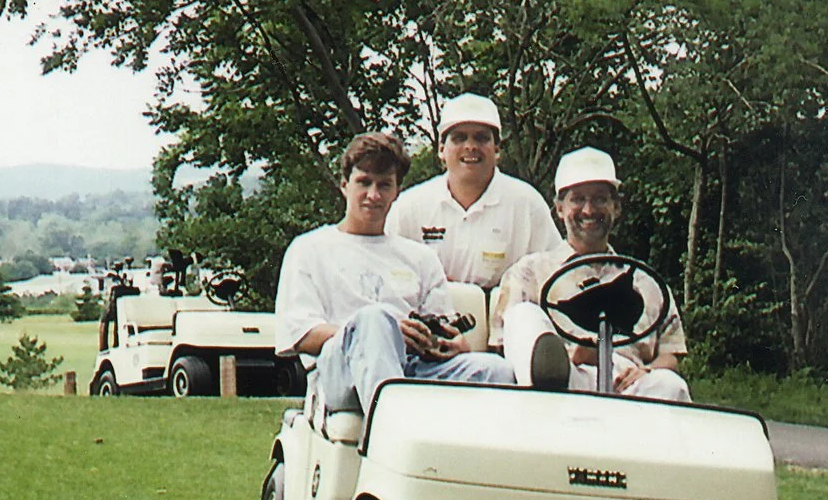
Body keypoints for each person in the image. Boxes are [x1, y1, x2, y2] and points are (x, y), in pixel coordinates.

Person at [275, 131, 514, 418]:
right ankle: (389, 439)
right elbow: (301, 335)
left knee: (496, 371)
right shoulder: (309, 249)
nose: (373, 195)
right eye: (363, 183)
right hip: (340, 371)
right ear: (344, 185)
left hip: (414, 368)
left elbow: (445, 329)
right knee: (374, 320)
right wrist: (384, 333)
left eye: (384, 185)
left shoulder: (420, 257)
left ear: (397, 191)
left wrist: (443, 343)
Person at [493, 147, 691, 402]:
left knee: (670, 384)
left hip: (629, 389)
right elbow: (503, 346)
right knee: (522, 315)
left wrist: (646, 371)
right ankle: (551, 375)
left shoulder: (645, 280)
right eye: (578, 199)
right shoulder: (529, 271)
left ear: (616, 207)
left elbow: (671, 354)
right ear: (559, 209)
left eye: (599, 199)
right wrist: (575, 357)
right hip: (565, 385)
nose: (588, 210)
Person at [384, 93, 562, 289]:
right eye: (459, 138)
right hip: (427, 314)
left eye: (481, 138)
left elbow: (553, 275)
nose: (470, 146)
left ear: (496, 149)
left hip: (503, 315)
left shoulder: (527, 204)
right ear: (441, 149)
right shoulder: (410, 206)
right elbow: (388, 273)